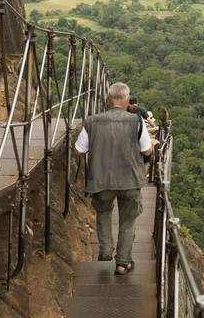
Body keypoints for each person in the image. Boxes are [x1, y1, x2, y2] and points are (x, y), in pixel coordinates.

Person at [74, 82, 159, 275]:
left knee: (103, 213)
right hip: (130, 179)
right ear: (127, 99)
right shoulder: (135, 121)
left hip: (101, 179)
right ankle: (122, 263)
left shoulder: (92, 120)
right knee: (128, 221)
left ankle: (105, 251)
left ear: (109, 99)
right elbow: (146, 150)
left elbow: (78, 150)